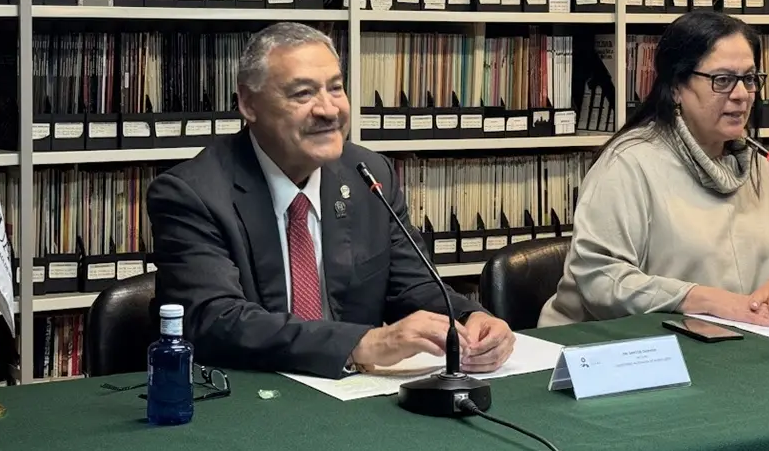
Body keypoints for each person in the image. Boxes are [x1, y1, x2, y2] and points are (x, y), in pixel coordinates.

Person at [147, 23, 516, 379]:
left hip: (356, 396)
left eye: (336, 89)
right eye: (302, 94)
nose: (328, 110)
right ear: (248, 102)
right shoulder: (192, 193)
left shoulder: (369, 174)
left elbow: (411, 286)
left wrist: (470, 319)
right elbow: (216, 321)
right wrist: (361, 344)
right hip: (247, 401)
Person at [538, 10, 769, 328]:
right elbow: (601, 279)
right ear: (675, 87)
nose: (741, 95)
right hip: (619, 351)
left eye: (749, 79)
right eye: (722, 80)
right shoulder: (630, 163)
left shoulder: (758, 164)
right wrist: (706, 300)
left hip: (734, 342)